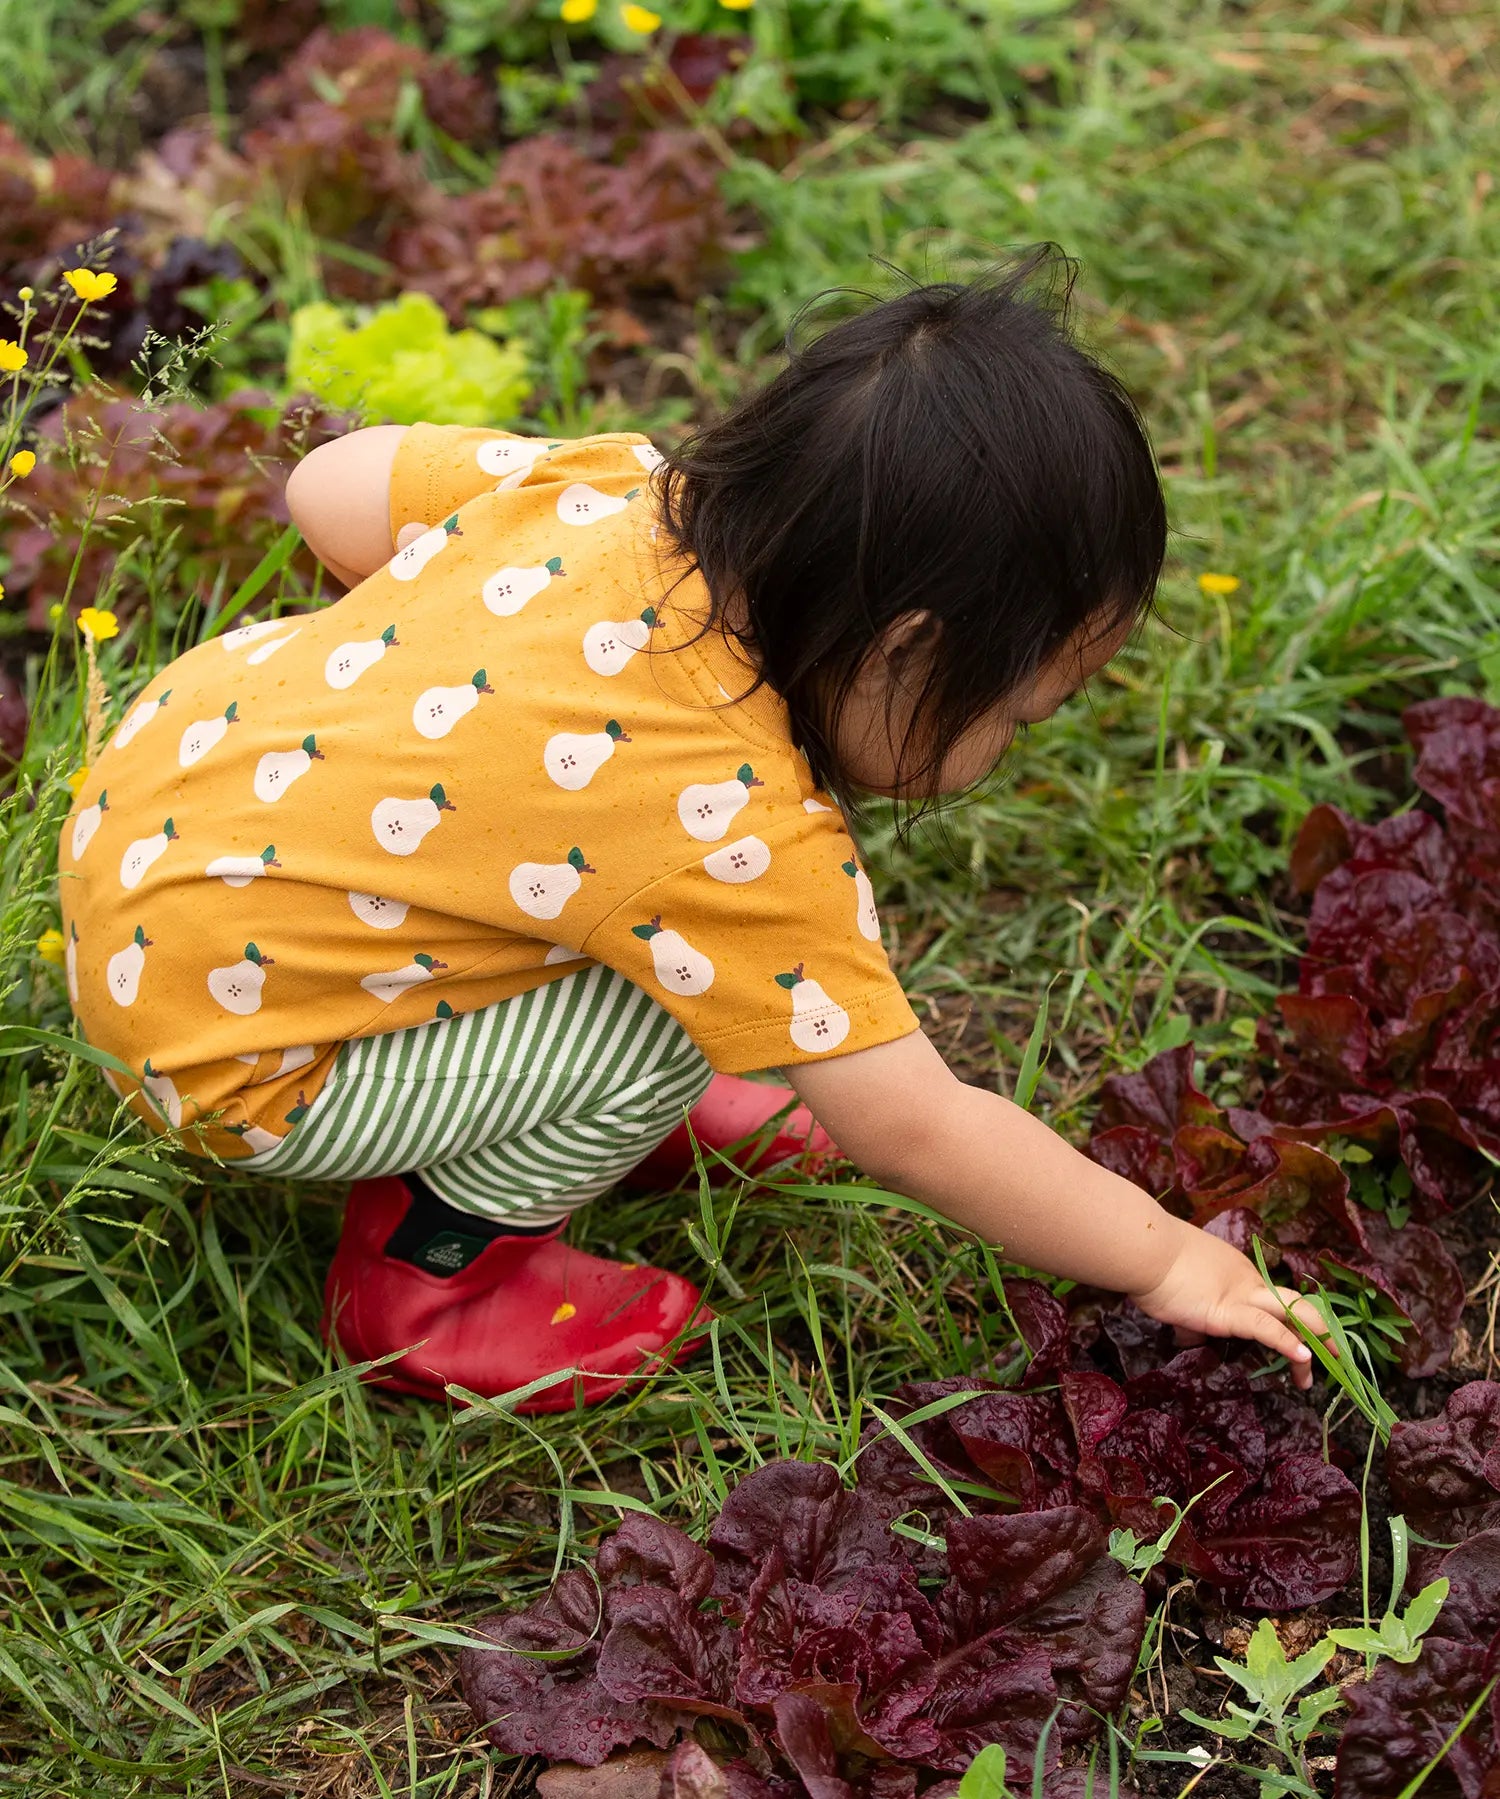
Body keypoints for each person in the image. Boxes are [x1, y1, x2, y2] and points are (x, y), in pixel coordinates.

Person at [57, 247, 1330, 1410]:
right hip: (224, 1050)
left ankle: (515, 1096)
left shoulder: (610, 484)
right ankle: (429, 1281)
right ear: (908, 653)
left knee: (632, 939)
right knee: (651, 1039)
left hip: (151, 818)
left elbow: (326, 486)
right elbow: (917, 1126)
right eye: (1022, 713)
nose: (1012, 746)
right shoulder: (733, 830)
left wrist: (446, 679)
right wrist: (1166, 1255)